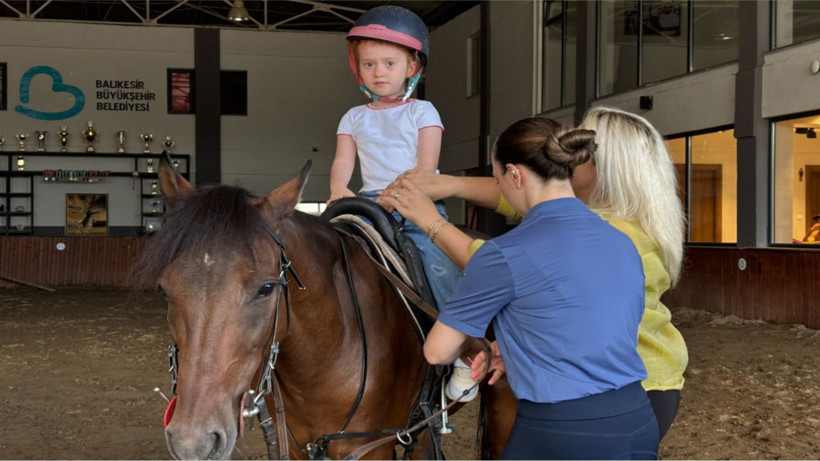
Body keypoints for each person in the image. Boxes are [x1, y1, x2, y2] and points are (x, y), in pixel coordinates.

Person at [378, 106, 688, 441]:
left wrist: (430, 221)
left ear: (604, 169)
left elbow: (502, 262)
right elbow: (527, 196)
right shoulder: (607, 220)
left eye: (576, 152)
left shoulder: (610, 232)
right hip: (616, 381)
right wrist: (452, 184)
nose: (562, 154)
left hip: (623, 384)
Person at [326, 5, 469, 401]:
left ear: (412, 66)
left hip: (416, 197)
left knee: (438, 260)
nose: (379, 72)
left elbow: (426, 166)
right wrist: (340, 189)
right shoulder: (353, 117)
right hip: (370, 200)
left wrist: (399, 197)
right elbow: (343, 163)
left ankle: (462, 341)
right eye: (369, 64)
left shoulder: (423, 111)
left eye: (389, 62)